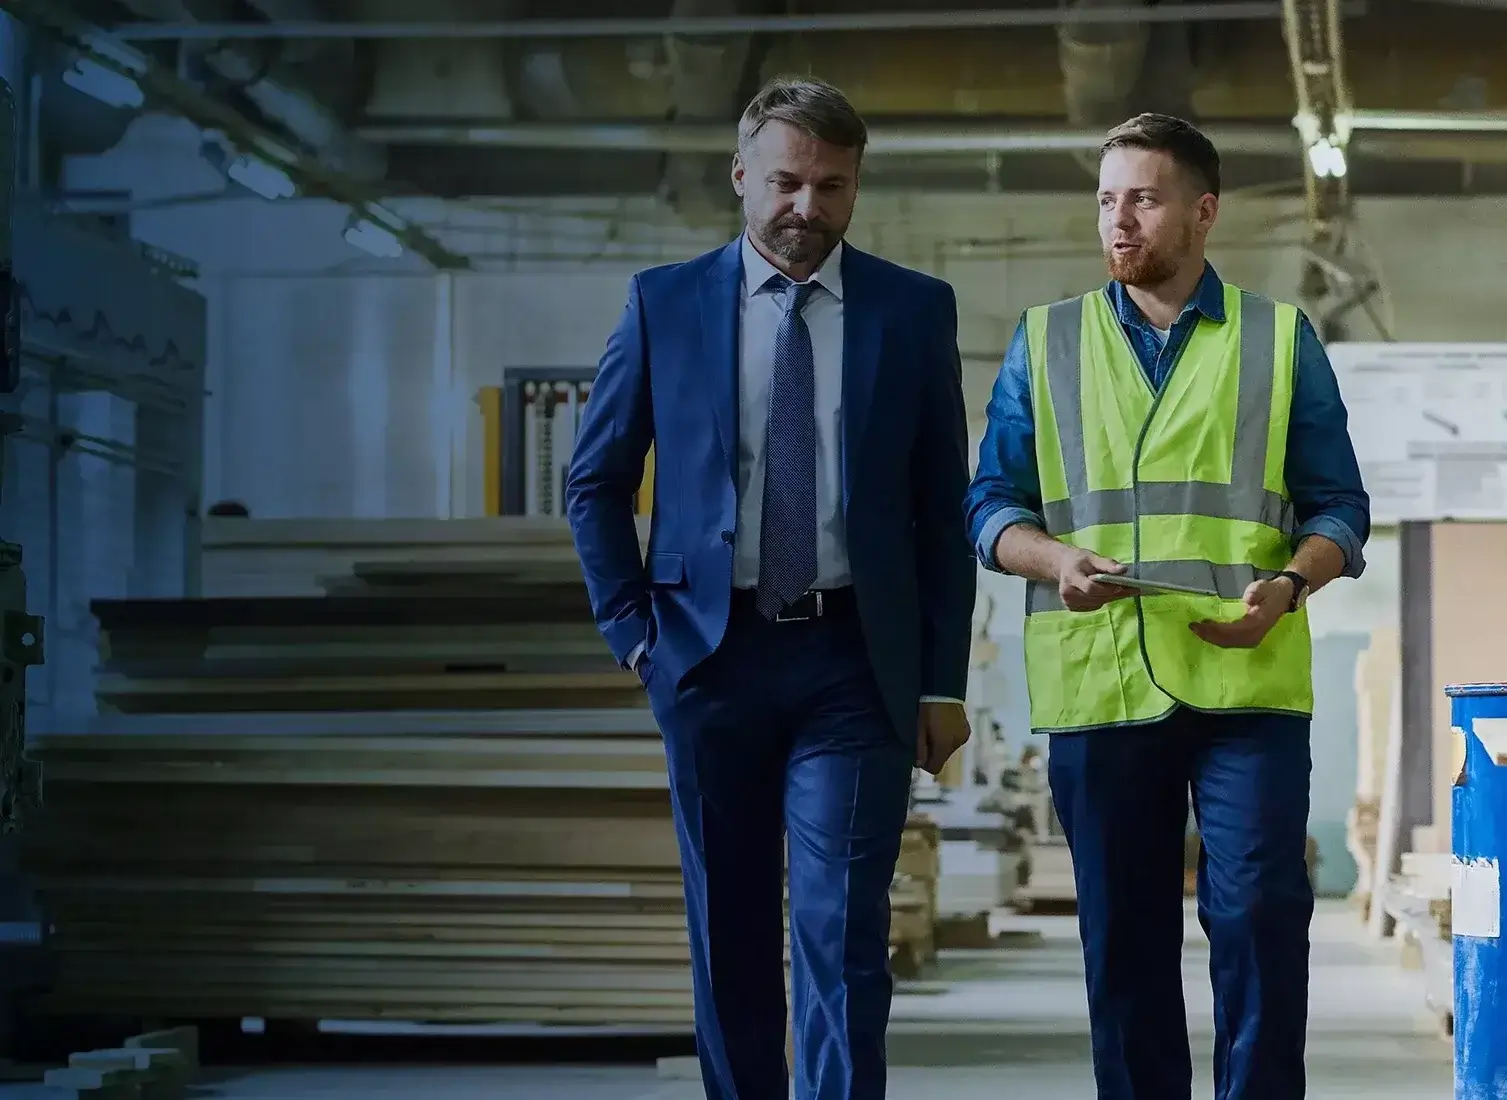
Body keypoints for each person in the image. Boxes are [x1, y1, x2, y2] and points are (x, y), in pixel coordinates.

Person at [565, 76, 977, 1100]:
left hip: (854, 660)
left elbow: (941, 511)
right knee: (730, 926)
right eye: (787, 182)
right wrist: (632, 629)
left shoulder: (913, 310)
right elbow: (595, 479)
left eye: (832, 187)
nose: (807, 208)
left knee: (842, 928)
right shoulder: (663, 303)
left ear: (855, 187)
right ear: (742, 175)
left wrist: (941, 680)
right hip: (709, 655)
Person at [964, 113, 1370, 1100]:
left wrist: (1287, 585)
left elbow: (1338, 508)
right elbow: (988, 505)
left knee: (1262, 910)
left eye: (1142, 198)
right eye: (1106, 199)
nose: (1118, 221)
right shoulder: (1044, 339)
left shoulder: (1278, 338)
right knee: (1124, 935)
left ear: (1202, 211)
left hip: (1247, 674)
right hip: (1100, 682)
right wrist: (1049, 554)